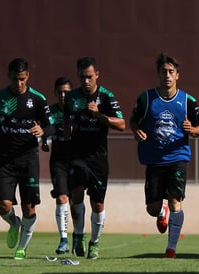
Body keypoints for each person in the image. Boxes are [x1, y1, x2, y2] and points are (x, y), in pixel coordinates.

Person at [129, 53, 199, 258]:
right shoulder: (145, 98)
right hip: (154, 159)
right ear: (158, 74)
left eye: (171, 72)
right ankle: (160, 212)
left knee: (175, 200)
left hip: (178, 157)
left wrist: (193, 129)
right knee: (152, 209)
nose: (167, 75)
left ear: (178, 75)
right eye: (164, 72)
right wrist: (136, 132)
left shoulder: (188, 101)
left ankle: (171, 248)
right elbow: (133, 121)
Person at [0, 58, 54, 260]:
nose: (19, 83)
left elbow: (52, 125)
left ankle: (22, 248)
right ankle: (14, 223)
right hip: (5, 160)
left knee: (29, 208)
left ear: (27, 77)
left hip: (29, 160)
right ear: (9, 76)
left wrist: (43, 130)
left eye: (22, 79)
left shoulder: (38, 99)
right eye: (15, 79)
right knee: (3, 205)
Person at [64, 57, 125, 259]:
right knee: (76, 193)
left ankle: (94, 243)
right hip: (77, 155)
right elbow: (66, 122)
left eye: (89, 76)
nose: (86, 81)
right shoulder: (71, 97)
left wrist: (99, 115)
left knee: (97, 204)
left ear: (97, 75)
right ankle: (79, 235)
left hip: (98, 158)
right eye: (82, 77)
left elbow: (122, 124)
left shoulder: (106, 97)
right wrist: (65, 132)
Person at [42, 77, 73, 254]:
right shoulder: (51, 111)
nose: (63, 95)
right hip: (59, 161)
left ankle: (78, 236)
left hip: (78, 160)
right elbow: (47, 127)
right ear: (55, 93)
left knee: (76, 200)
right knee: (62, 198)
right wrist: (44, 138)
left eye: (66, 92)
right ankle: (63, 240)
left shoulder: (77, 110)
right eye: (60, 92)